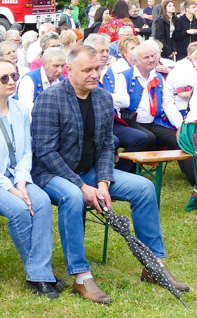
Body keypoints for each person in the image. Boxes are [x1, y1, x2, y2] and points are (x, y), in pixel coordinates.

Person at [32, 46, 190, 304]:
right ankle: (81, 276)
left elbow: (107, 145)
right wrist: (82, 185)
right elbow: (45, 152)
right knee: (72, 196)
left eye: (98, 69)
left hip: (92, 171)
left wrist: (103, 182)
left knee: (144, 188)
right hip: (52, 173)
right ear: (69, 71)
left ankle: (154, 265)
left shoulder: (103, 98)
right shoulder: (50, 99)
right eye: (88, 70)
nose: (95, 74)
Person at [0, 59, 59, 298]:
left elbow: (27, 150)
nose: (11, 82)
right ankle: (40, 274)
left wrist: (21, 182)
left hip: (17, 174)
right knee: (19, 209)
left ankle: (38, 274)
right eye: (4, 78)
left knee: (42, 202)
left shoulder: (20, 109)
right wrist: (11, 188)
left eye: (14, 76)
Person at [114, 41, 194, 184]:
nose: (151, 59)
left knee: (181, 138)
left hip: (153, 122)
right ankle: (120, 172)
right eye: (146, 57)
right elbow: (120, 102)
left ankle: (194, 178)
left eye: (153, 56)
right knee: (147, 137)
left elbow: (168, 104)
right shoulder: (123, 77)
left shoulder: (157, 77)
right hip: (130, 122)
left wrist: (180, 126)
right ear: (136, 61)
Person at [83, 34, 155, 173]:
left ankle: (121, 173)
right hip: (90, 123)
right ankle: (102, 173)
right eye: (101, 51)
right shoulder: (85, 72)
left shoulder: (111, 71)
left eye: (107, 51)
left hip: (111, 121)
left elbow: (124, 100)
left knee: (141, 138)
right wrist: (111, 98)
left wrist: (102, 97)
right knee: (113, 141)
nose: (105, 54)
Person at [16, 47, 66, 114]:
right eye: (56, 66)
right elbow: (26, 108)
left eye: (62, 66)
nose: (60, 70)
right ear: (44, 64)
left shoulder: (62, 81)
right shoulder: (29, 80)